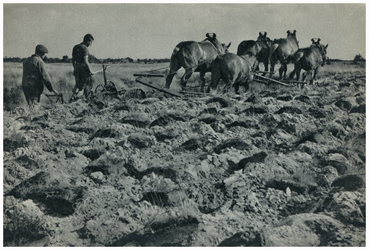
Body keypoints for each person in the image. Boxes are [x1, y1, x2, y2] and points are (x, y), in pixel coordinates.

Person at [69, 33, 95, 102]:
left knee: (78, 85)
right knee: (88, 84)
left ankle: (72, 98)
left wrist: (75, 69)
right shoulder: (85, 48)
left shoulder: (76, 47)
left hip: (77, 69)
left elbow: (73, 60)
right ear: (88, 41)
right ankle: (86, 100)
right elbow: (85, 61)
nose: (91, 44)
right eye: (91, 42)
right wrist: (90, 71)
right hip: (84, 70)